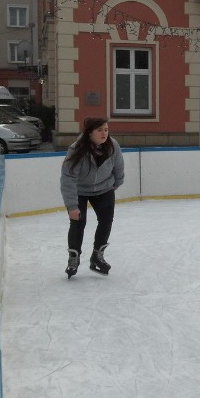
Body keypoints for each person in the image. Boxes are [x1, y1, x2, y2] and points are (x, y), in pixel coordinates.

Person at [60, 117, 125, 278]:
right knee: (77, 222)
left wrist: (118, 181)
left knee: (106, 220)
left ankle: (97, 255)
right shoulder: (77, 149)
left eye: (106, 130)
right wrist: (72, 206)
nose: (104, 133)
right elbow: (68, 178)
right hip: (80, 190)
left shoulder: (112, 145)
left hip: (104, 188)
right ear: (90, 133)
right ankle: (73, 257)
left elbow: (119, 165)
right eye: (100, 130)